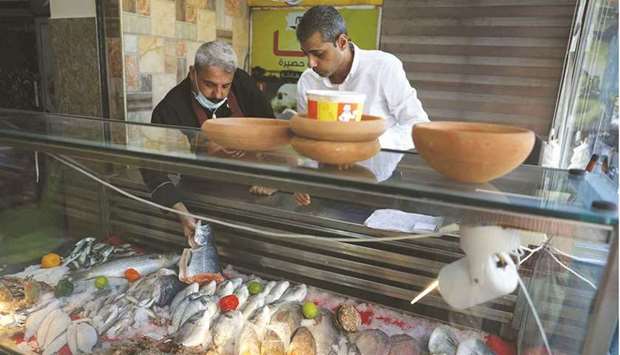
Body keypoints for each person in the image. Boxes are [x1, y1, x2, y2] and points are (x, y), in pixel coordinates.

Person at [140, 41, 274, 245]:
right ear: (193, 72)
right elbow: (151, 167)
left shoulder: (242, 83)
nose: (218, 94)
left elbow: (271, 130)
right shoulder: (170, 108)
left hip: (252, 194)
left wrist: (272, 177)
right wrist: (180, 210)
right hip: (198, 197)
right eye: (209, 84)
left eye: (225, 86)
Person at [293, 5, 428, 206]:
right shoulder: (308, 81)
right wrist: (304, 176)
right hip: (325, 187)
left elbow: (418, 125)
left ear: (342, 41)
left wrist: (366, 145)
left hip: (379, 188)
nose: (310, 63)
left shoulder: (383, 67)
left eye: (318, 54)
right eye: (306, 54)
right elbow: (307, 136)